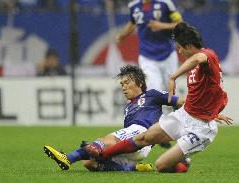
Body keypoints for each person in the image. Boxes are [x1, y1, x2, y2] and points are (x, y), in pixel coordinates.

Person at [84, 22, 233, 173]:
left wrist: (173, 76)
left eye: (180, 48)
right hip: (185, 115)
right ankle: (103, 155)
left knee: (161, 165)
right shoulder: (196, 64)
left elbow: (198, 58)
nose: (179, 52)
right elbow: (205, 93)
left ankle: (181, 162)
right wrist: (212, 111)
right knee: (144, 138)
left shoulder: (208, 55)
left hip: (200, 128)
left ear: (188, 46)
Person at [43, 64, 186, 172]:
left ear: (140, 83)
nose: (124, 87)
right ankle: (134, 168)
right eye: (122, 84)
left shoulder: (152, 94)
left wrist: (189, 114)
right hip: (137, 148)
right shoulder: (128, 108)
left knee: (104, 142)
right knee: (89, 163)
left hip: (142, 133)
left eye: (127, 82)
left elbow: (180, 102)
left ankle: (67, 158)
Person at [115, 0, 182, 91]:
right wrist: (122, 36)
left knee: (173, 92)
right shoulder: (134, 6)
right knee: (153, 90)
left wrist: (162, 26)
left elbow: (180, 24)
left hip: (167, 54)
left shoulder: (166, 3)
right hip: (147, 56)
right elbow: (133, 23)